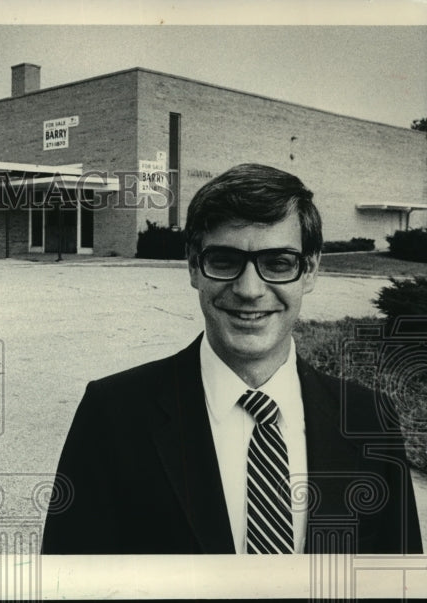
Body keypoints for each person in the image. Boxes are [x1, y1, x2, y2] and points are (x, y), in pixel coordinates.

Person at [42, 163, 423, 554]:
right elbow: (66, 585)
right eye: (224, 260)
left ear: (310, 270)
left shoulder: (368, 419)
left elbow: (401, 583)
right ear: (193, 266)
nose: (249, 290)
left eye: (278, 263)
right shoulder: (112, 415)